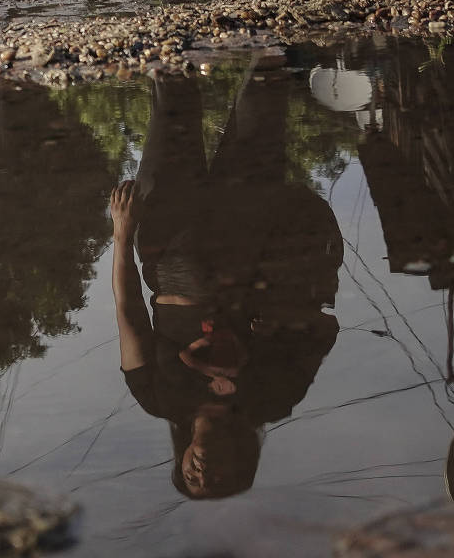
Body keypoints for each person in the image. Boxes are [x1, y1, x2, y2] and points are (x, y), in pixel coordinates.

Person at [109, 73, 344, 501]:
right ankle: (273, 18)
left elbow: (129, 313)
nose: (203, 473)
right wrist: (269, 324)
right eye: (218, 480)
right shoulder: (273, 399)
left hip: (169, 239)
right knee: (262, 97)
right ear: (243, 461)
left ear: (181, 462)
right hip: (250, 233)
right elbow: (323, 330)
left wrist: (122, 234)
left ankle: (169, 11)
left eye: (192, 479)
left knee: (170, 96)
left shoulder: (157, 398)